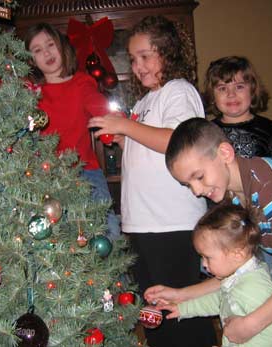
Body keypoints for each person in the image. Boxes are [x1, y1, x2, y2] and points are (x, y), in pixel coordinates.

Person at [146, 118, 272, 347]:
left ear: (225, 153)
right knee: (268, 333)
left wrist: (251, 324)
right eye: (188, 184)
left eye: (199, 177)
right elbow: (241, 269)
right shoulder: (234, 195)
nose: (196, 191)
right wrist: (182, 295)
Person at [88, 15, 217, 347]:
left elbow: (179, 140)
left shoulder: (179, 91)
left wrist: (127, 128)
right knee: (154, 313)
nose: (138, 65)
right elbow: (150, 144)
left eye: (145, 55)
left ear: (167, 52)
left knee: (181, 311)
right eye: (132, 59)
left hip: (172, 223)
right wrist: (124, 138)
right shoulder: (145, 102)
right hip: (143, 223)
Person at [24, 23, 120, 240]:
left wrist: (116, 121)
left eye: (50, 45)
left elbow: (97, 105)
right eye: (37, 50)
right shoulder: (31, 93)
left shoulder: (81, 82)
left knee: (107, 236)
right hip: (47, 179)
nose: (47, 53)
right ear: (31, 60)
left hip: (86, 174)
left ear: (62, 46)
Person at [161, 202, 272, 347]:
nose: (204, 264)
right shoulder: (237, 278)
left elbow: (270, 337)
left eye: (208, 257)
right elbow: (219, 300)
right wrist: (183, 309)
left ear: (237, 254)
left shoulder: (253, 288)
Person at [204, 56, 272, 159]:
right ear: (212, 96)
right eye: (222, 88)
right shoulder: (206, 132)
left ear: (252, 91)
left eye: (239, 87)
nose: (231, 94)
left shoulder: (271, 130)